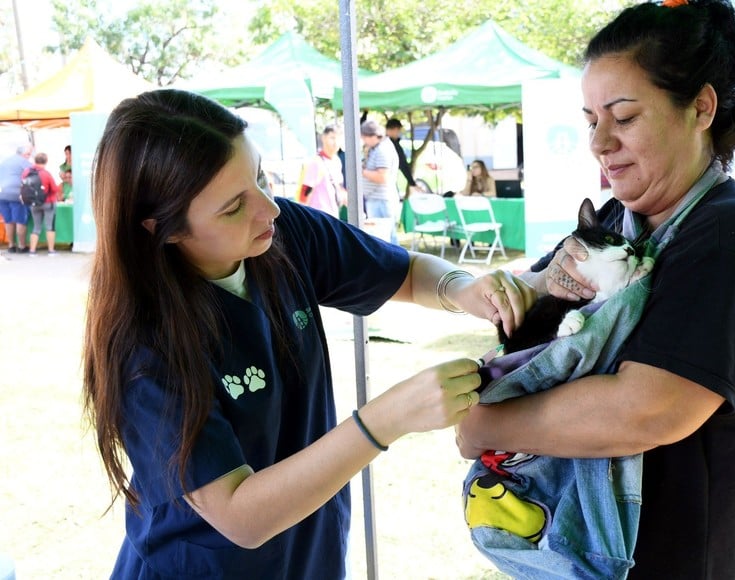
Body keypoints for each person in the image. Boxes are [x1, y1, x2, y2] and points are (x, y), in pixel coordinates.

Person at [82, 88, 535, 579]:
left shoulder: (280, 234)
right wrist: (385, 419)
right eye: (233, 206)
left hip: (310, 555)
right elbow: (241, 515)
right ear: (163, 229)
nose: (269, 209)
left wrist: (462, 287)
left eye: (259, 177)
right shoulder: (144, 345)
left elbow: (403, 272)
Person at [455, 1, 735, 578]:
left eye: (625, 117)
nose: (599, 141)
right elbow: (531, 296)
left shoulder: (728, 238)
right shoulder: (618, 219)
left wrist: (483, 426)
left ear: (701, 107)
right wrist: (524, 289)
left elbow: (648, 409)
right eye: (592, 120)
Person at [360, 118, 400, 244]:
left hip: (382, 201)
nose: (363, 141)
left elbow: (383, 177)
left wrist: (362, 171)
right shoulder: (377, 148)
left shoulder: (383, 150)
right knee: (381, 238)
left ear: (372, 136)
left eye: (364, 137)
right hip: (377, 199)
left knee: (386, 239)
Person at [297, 125, 346, 217]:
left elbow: (339, 187)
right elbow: (305, 190)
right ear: (323, 138)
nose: (335, 142)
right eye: (332, 138)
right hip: (318, 215)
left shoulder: (337, 161)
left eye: (339, 138)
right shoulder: (316, 162)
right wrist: (302, 215)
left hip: (333, 214)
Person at [23, 152, 61, 255]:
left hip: (33, 203)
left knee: (36, 226)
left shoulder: (26, 172)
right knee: (50, 226)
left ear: (35, 160)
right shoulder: (46, 174)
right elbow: (54, 189)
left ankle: (32, 250)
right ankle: (51, 250)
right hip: (48, 203)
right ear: (46, 161)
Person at [0, 144, 34, 255]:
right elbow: (33, 176)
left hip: (2, 194)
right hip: (17, 194)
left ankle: (11, 245)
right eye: (28, 154)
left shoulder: (5, 161)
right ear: (23, 154)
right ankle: (22, 246)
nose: (29, 156)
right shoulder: (24, 162)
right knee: (20, 220)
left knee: (8, 220)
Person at [385, 118, 419, 196]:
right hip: (386, 183)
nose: (398, 133)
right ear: (394, 129)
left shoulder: (378, 142)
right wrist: (412, 183)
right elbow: (403, 164)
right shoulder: (392, 144)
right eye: (398, 131)